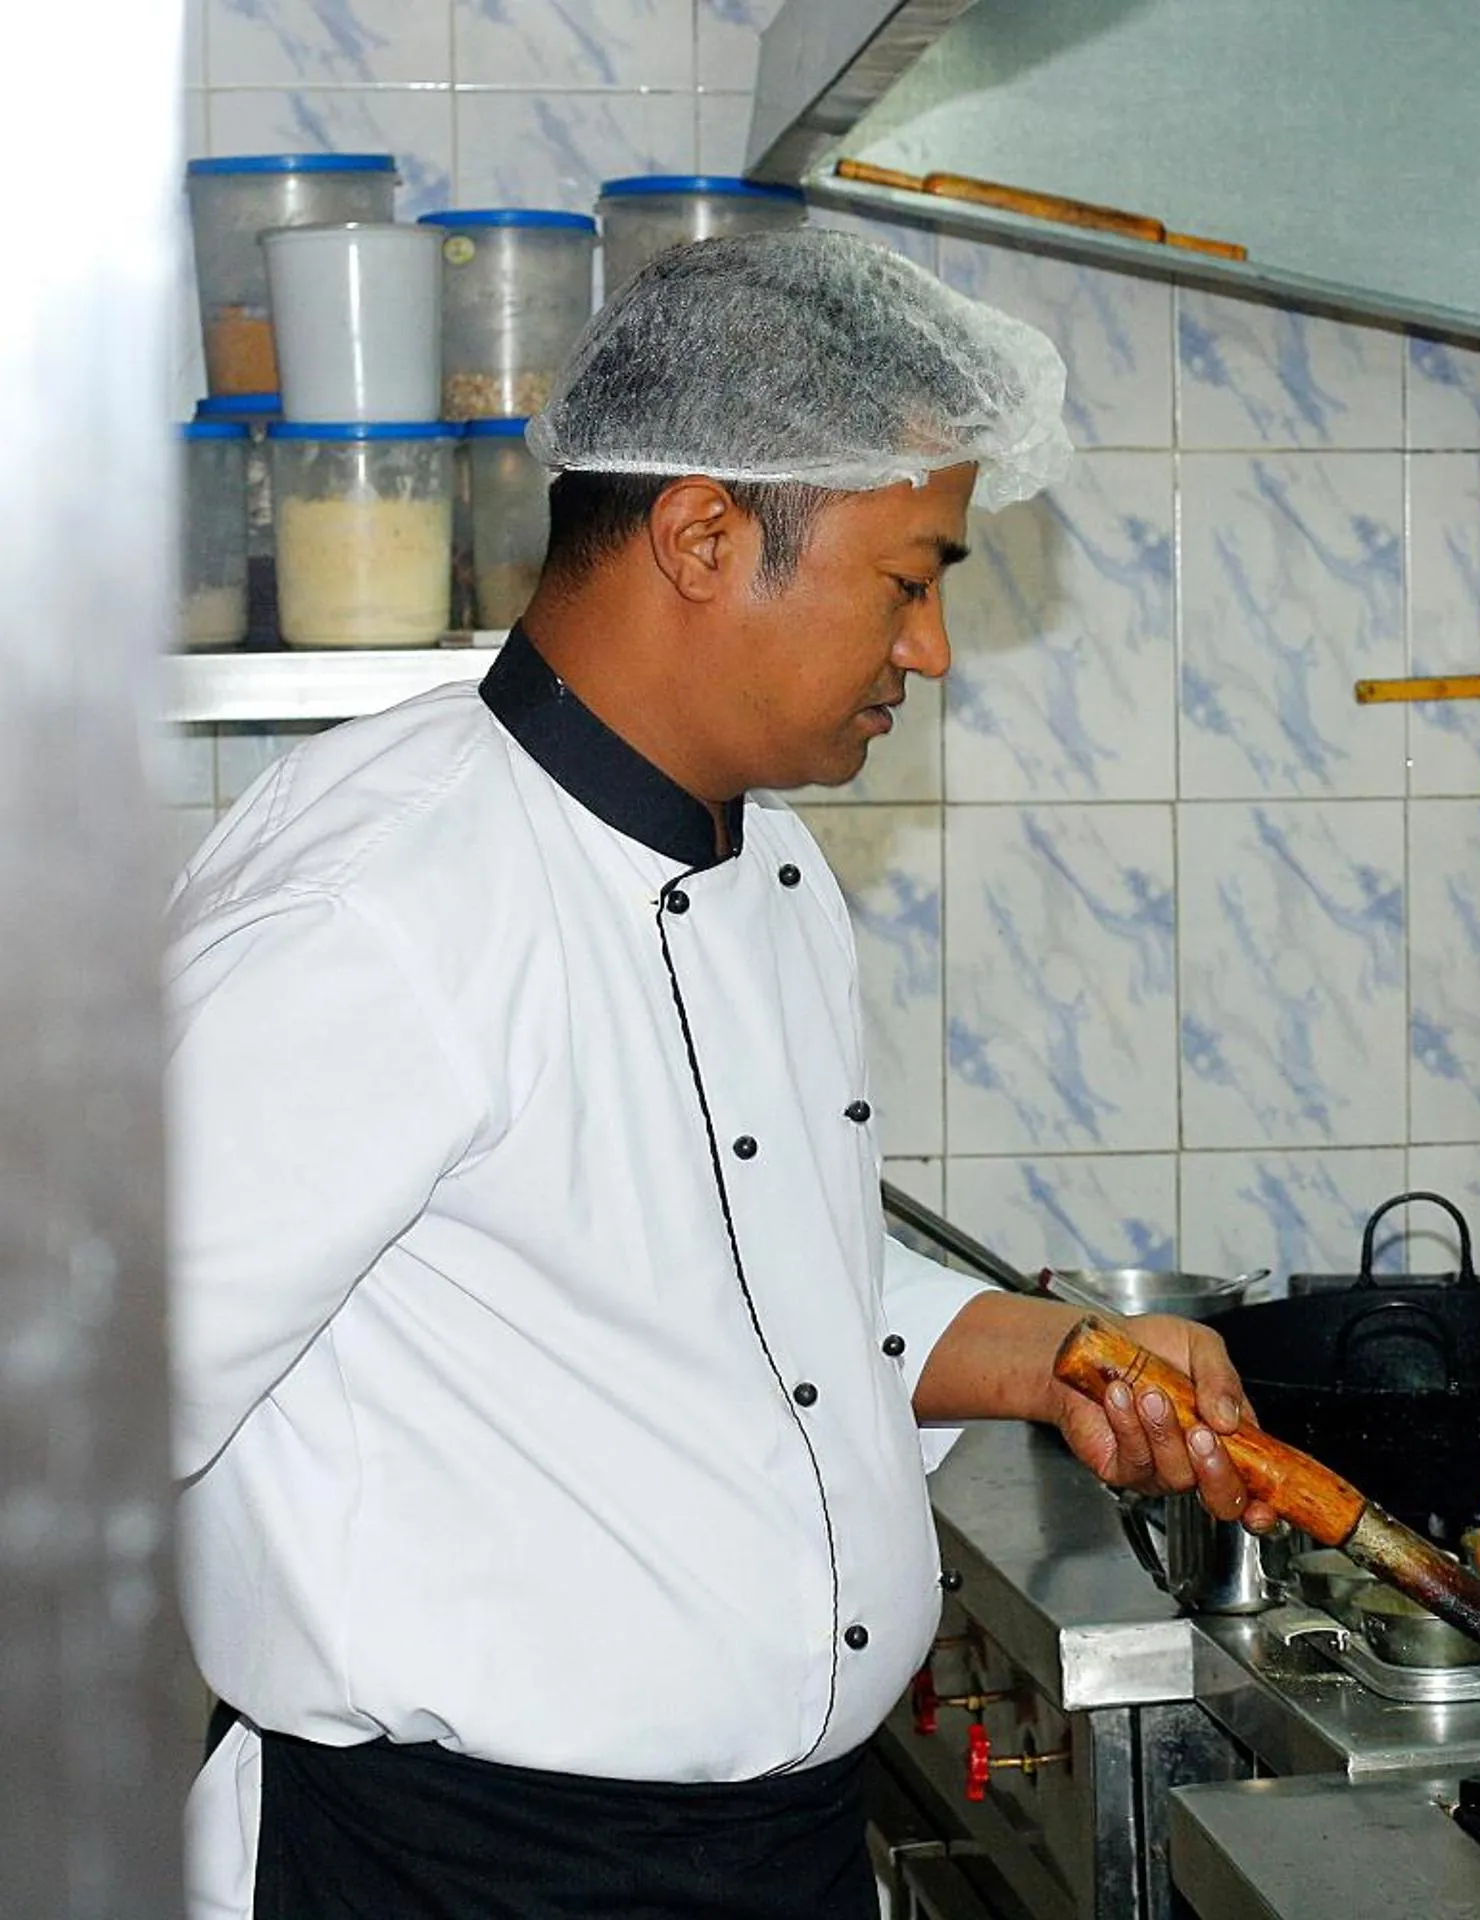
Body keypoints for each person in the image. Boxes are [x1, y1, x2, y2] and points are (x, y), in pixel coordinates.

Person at [167, 230, 1271, 1919]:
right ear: (702, 534)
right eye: (911, 579)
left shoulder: (766, 871)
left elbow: (745, 1289)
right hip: (464, 1876)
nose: (934, 650)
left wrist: (1049, 1355)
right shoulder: (377, 908)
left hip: (769, 1860)